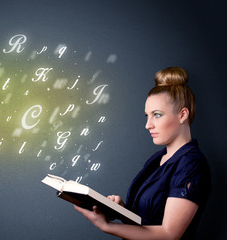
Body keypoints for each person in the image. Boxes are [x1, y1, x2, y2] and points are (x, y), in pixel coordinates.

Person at [74, 67, 211, 240]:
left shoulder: (191, 164)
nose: (148, 125)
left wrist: (107, 226)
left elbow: (170, 235)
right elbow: (146, 221)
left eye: (157, 115)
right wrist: (120, 209)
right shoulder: (156, 160)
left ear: (183, 114)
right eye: (147, 116)